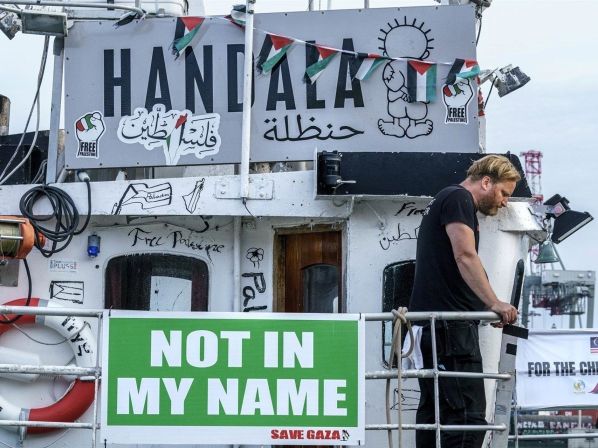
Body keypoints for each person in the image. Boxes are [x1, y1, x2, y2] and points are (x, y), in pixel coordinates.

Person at [408, 154, 520, 448]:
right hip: (448, 331)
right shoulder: (458, 198)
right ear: (486, 181)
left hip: (434, 327)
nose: (505, 202)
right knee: (467, 418)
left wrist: (482, 309)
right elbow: (465, 256)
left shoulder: (446, 199)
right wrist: (495, 303)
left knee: (434, 412)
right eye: (504, 193)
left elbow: (450, 268)